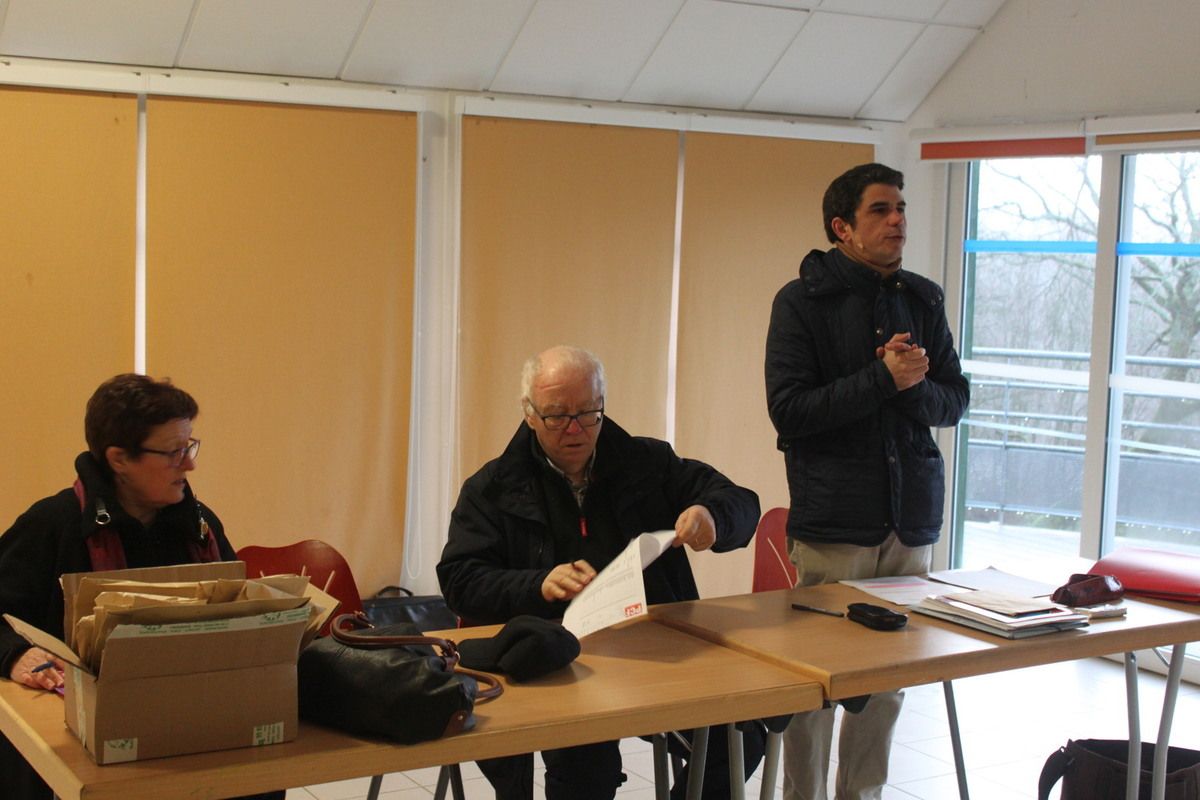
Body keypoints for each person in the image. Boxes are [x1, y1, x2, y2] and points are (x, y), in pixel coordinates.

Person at [438, 345, 765, 800]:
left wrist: (713, 517)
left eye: (588, 413)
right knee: (586, 766)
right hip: (558, 665)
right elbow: (460, 580)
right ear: (529, 414)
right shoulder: (493, 489)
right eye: (557, 416)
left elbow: (741, 501)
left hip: (654, 653)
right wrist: (537, 584)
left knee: (740, 736)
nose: (575, 429)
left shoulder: (647, 463)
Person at [764, 163, 969, 800]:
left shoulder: (924, 299)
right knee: (819, 679)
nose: (897, 220)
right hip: (835, 523)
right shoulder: (800, 301)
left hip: (910, 522)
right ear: (842, 227)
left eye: (901, 208)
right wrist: (882, 379)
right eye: (880, 210)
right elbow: (790, 411)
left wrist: (908, 384)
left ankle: (863, 794)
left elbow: (954, 401)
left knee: (887, 679)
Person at [0, 373, 282, 800]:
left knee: (262, 777)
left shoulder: (201, 526)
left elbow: (237, 618)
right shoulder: (53, 524)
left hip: (195, 719)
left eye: (189, 447)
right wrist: (15, 654)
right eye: (173, 452)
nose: (189, 465)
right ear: (119, 459)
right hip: (86, 734)